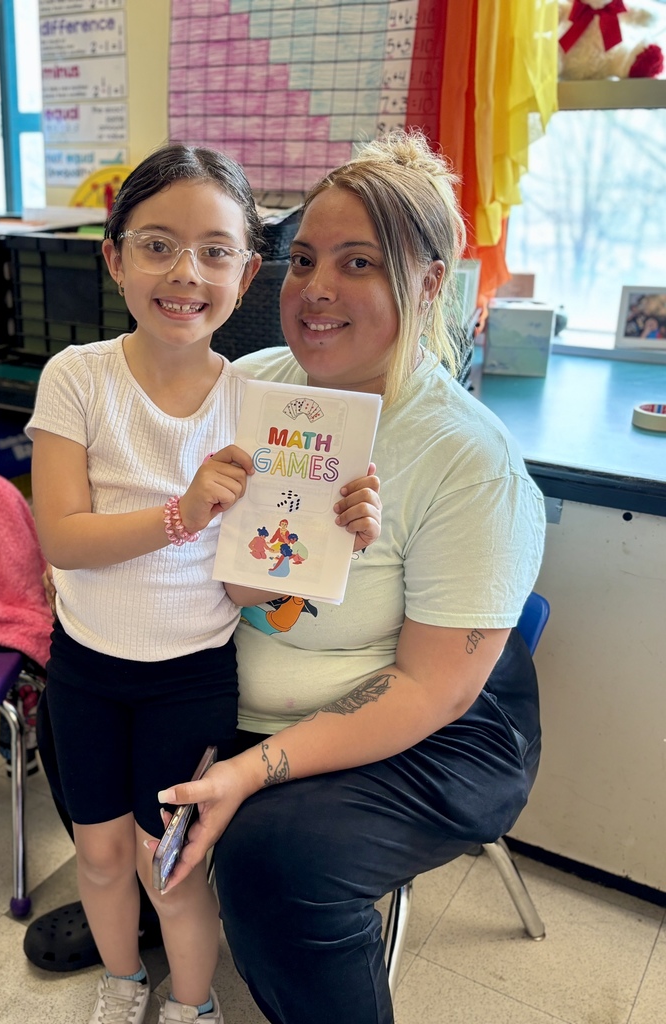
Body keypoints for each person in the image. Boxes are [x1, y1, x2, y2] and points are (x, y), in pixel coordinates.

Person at [27, 130, 546, 1024]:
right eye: (306, 258)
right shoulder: (262, 387)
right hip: (221, 683)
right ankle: (140, 909)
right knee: (91, 743)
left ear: (428, 285)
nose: (317, 289)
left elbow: (431, 686)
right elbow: (221, 556)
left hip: (428, 723)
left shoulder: (470, 460)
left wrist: (255, 771)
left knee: (275, 858)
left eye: (359, 263)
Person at [24, 143, 382, 1024]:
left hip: (190, 676)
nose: (186, 273)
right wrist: (182, 513)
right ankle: (120, 985)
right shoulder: (78, 378)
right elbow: (64, 540)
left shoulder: (259, 405)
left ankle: (192, 1007)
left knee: (169, 864)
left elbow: (256, 591)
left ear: (248, 271)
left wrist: (329, 545)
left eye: (216, 251)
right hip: (84, 670)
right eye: (158, 245)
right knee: (100, 858)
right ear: (114, 256)